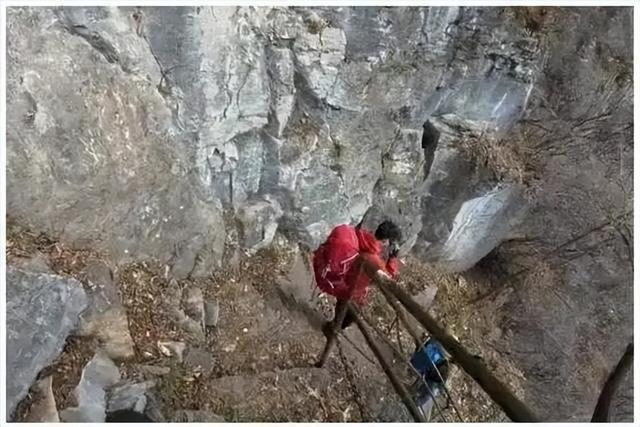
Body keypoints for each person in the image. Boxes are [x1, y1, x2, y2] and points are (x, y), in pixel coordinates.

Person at [313, 220, 402, 335]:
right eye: (391, 244)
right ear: (385, 241)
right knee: (352, 312)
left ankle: (333, 326)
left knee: (344, 303)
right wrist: (392, 259)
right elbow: (389, 278)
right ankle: (331, 330)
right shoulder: (373, 260)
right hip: (349, 287)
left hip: (342, 277)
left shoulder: (362, 236)